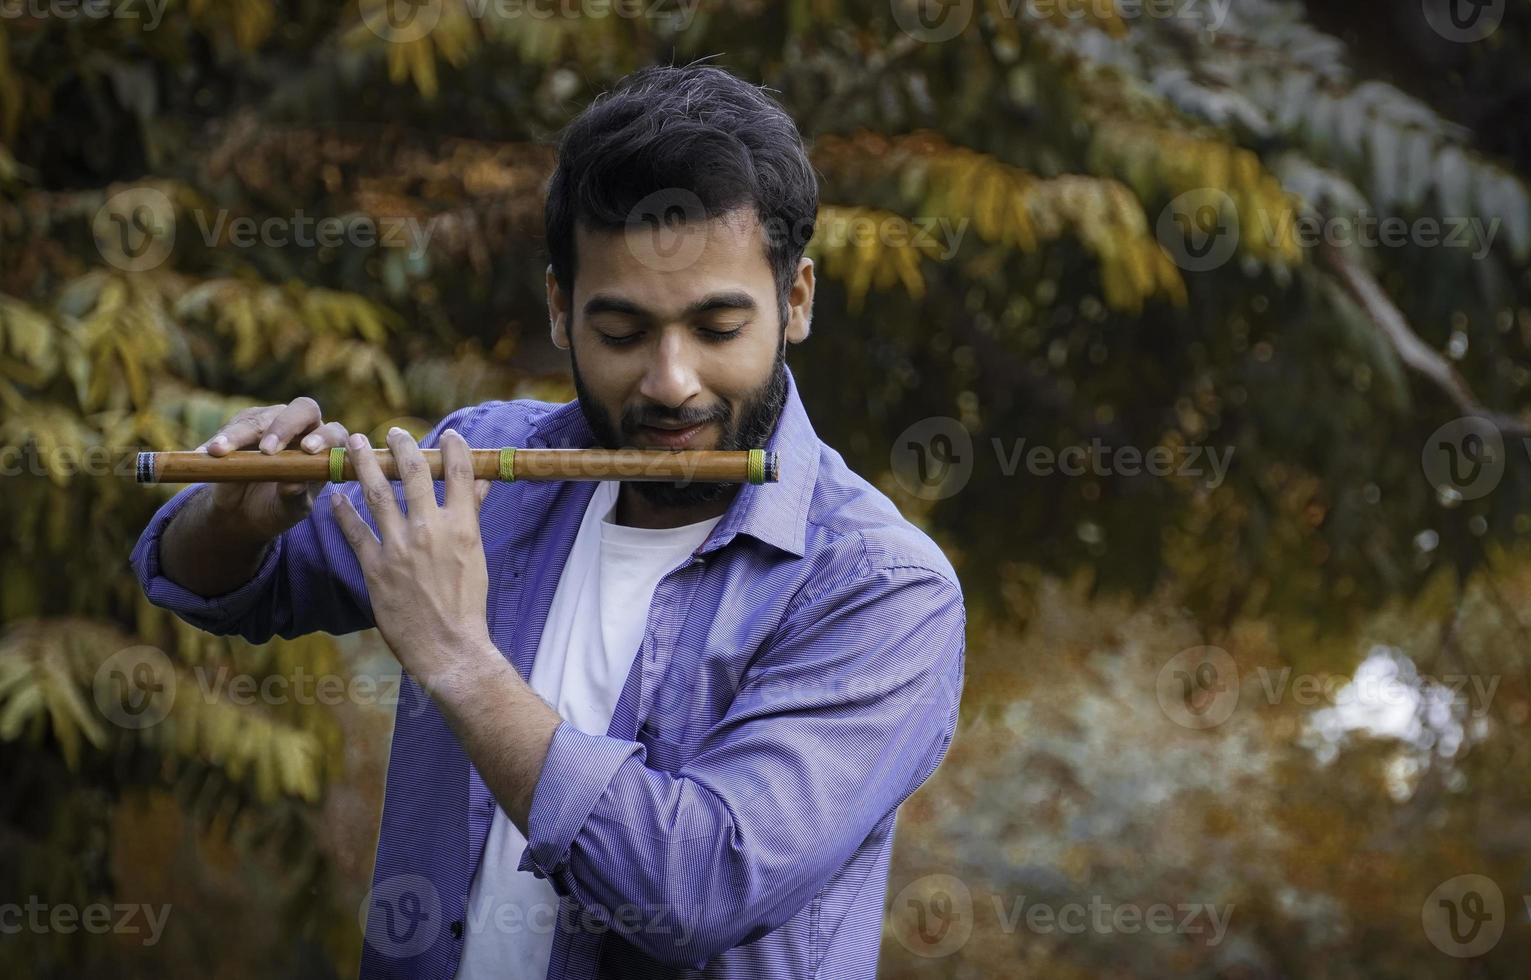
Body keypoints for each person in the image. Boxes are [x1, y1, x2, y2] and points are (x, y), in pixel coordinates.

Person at [130, 63, 966, 980]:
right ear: (562, 311)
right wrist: (234, 517)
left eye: (719, 328)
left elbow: (693, 891)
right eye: (622, 332)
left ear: (796, 299)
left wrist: (456, 655)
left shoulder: (882, 589)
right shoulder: (483, 466)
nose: (670, 382)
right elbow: (219, 585)